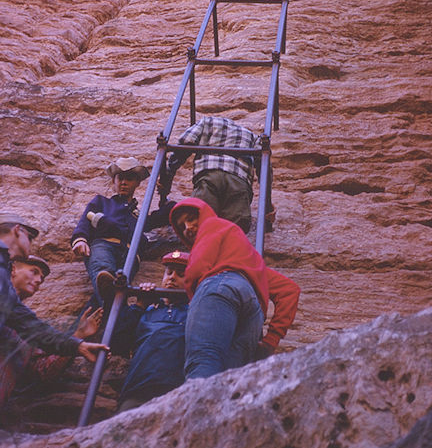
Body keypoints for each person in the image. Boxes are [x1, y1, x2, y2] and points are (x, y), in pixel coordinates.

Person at [170, 198, 300, 379]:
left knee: (203, 360)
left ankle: (199, 408)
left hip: (218, 290)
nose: (187, 228)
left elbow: (197, 268)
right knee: (231, 379)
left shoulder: (212, 225)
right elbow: (289, 290)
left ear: (204, 214)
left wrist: (194, 298)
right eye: (182, 226)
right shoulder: (248, 260)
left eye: (191, 219)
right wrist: (271, 340)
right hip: (252, 312)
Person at [0, 213, 109, 410]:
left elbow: (41, 370)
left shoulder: (19, 319)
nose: (39, 280)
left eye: (42, 277)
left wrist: (77, 341)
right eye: (34, 271)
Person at [71, 156, 176, 305]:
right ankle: (116, 307)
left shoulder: (138, 215)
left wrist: (164, 196)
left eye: (129, 179)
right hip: (104, 244)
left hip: (130, 252)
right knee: (104, 271)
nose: (124, 182)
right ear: (114, 181)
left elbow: (162, 216)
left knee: (116, 287)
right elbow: (84, 221)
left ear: (137, 183)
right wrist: (80, 239)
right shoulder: (101, 202)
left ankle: (102, 313)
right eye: (120, 178)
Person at [102, 250, 189, 412]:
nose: (172, 277)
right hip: (138, 388)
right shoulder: (147, 309)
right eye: (169, 272)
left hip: (177, 389)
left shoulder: (195, 311)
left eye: (181, 274)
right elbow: (118, 343)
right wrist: (140, 304)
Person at [164, 116, 275, 233]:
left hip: (209, 174)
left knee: (202, 220)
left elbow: (185, 143)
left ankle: (205, 247)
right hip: (239, 180)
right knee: (235, 229)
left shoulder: (207, 122)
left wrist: (169, 174)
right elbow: (264, 166)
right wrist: (267, 204)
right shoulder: (252, 136)